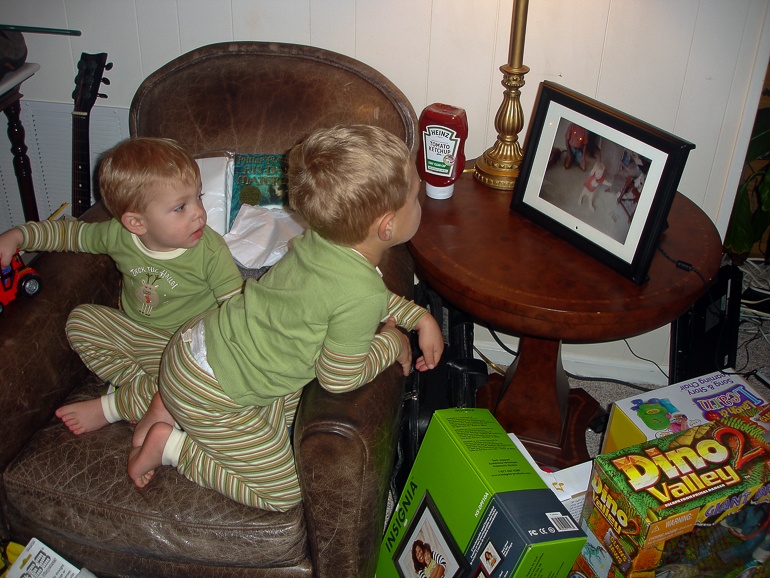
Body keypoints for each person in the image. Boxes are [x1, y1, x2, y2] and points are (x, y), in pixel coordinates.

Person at [127, 125, 444, 512]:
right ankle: (171, 446)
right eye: (415, 198)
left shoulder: (321, 239)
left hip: (198, 341)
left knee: (283, 412)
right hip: (210, 391)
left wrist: (418, 317)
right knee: (285, 493)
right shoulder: (358, 293)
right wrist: (392, 343)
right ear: (387, 226)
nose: (421, 203)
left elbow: (364, 297)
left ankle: (162, 403)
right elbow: (339, 376)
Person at [0, 137, 244, 435]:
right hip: (134, 337)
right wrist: (19, 237)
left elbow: (237, 309)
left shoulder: (210, 250)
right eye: (181, 207)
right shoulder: (118, 235)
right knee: (80, 321)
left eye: (199, 197)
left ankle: (116, 405)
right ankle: (152, 395)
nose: (199, 213)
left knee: (193, 377)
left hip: (184, 352)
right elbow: (69, 234)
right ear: (136, 223)